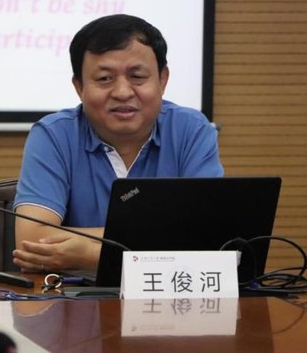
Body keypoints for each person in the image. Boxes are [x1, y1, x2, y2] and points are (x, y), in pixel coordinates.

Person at [12, 14, 223, 272]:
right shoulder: (54, 135)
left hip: (170, 293)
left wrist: (91, 254)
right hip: (75, 295)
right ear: (79, 87)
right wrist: (162, 240)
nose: (123, 92)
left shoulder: (191, 130)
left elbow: (209, 238)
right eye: (104, 79)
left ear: (162, 79)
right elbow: (32, 240)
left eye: (137, 76)